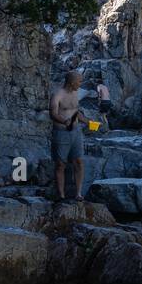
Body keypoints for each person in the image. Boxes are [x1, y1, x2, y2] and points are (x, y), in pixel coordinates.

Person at [50, 71, 89, 203]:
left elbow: (75, 112)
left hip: (76, 131)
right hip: (61, 132)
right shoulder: (57, 95)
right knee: (60, 164)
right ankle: (61, 194)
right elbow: (53, 114)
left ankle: (78, 193)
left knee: (78, 161)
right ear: (72, 82)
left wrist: (88, 122)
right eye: (79, 81)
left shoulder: (75, 93)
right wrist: (64, 121)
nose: (80, 84)